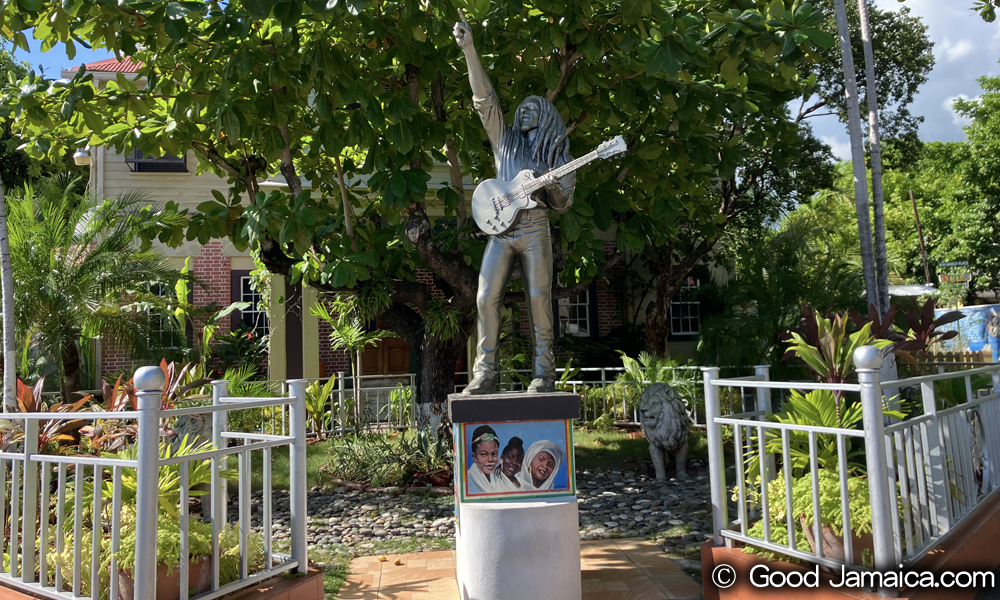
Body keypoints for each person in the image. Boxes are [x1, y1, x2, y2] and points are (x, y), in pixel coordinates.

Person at [454, 21, 576, 395]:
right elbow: (485, 101)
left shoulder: (557, 154)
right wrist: (469, 50)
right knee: (484, 296)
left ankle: (544, 373)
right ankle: (485, 373)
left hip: (536, 230)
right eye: (521, 108)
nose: (524, 111)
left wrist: (553, 188)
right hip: (501, 231)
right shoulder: (504, 143)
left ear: (547, 117)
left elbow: (563, 203)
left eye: (533, 108)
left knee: (538, 298)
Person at [467, 425, 501, 494]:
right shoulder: (469, 481)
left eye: (494, 453)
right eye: (484, 454)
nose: (490, 459)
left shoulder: (499, 477)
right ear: (474, 457)